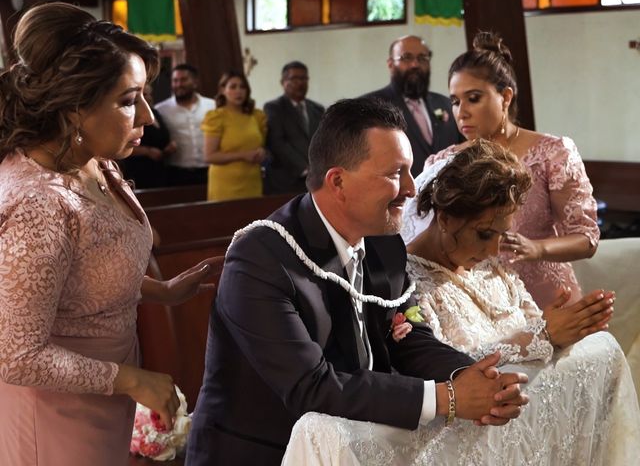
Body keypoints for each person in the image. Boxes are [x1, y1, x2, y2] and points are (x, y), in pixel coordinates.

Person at [186, 98, 529, 466]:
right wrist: (448, 398)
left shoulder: (385, 244)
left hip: (356, 445)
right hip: (265, 454)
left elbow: (410, 338)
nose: (411, 189)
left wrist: (473, 378)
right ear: (338, 181)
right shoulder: (260, 258)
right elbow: (311, 386)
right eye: (396, 173)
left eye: (410, 171)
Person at [0, 3, 222, 466]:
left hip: (100, 398)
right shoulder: (39, 204)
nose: (148, 116)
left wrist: (157, 291)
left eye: (144, 96)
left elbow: (78, 272)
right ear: (74, 107)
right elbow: (16, 353)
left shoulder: (95, 162)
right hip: (55, 411)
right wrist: (133, 380)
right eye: (128, 100)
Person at [387, 140, 639, 464]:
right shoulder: (405, 283)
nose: (494, 251)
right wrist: (542, 336)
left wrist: (558, 327)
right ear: (446, 218)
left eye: (501, 235)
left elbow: (533, 325)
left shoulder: (491, 267)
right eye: (483, 234)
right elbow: (448, 372)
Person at [404, 31, 599, 308]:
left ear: (505, 97)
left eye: (473, 98)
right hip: (477, 309)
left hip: (547, 300)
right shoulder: (441, 162)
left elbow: (587, 238)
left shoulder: (553, 153)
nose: (462, 112)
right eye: (456, 101)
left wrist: (537, 248)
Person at [362, 35, 462, 176]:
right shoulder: (370, 107)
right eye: (406, 58)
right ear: (390, 64)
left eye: (422, 58)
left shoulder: (447, 104)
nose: (415, 65)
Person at [201, 71, 267, 201]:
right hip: (225, 184)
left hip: (252, 181)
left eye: (242, 87)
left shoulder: (256, 116)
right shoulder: (216, 117)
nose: (239, 91)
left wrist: (262, 152)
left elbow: (260, 144)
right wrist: (243, 155)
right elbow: (209, 156)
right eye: (233, 87)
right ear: (223, 90)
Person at [263, 61, 325, 194]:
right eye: (294, 78)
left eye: (304, 78)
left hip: (315, 181)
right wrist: (305, 168)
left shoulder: (317, 109)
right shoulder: (274, 108)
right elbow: (278, 143)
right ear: (283, 82)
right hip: (286, 180)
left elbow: (324, 141)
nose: (300, 83)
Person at [156, 64, 215, 186]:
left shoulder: (212, 106)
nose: (178, 84)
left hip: (210, 170)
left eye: (183, 80)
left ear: (195, 82)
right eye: (175, 81)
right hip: (176, 173)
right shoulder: (161, 110)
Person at [119, 84, 176, 189]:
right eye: (144, 94)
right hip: (139, 169)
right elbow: (121, 145)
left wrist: (168, 147)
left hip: (159, 169)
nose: (149, 97)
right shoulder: (130, 116)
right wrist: (148, 151)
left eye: (149, 94)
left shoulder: (155, 113)